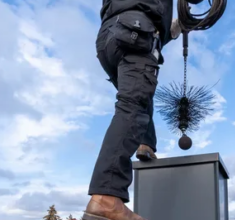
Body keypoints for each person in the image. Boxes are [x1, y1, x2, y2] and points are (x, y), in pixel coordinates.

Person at [82, 0, 181, 220]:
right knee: (133, 104)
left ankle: (146, 143)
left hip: (109, 37)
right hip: (135, 31)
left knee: (139, 97)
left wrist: (174, 28)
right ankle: (106, 197)